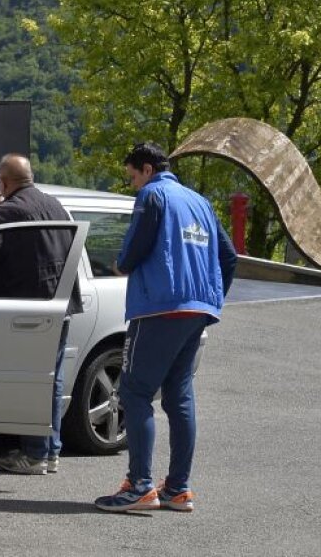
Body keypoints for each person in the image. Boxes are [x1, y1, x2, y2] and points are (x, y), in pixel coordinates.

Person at [94, 142, 237, 513]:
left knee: (135, 391)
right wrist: (211, 297)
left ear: (146, 169)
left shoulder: (152, 196)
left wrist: (121, 264)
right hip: (197, 309)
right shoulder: (200, 201)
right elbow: (229, 256)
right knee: (179, 396)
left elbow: (135, 248)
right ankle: (177, 488)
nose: (132, 185)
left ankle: (140, 486)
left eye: (131, 176)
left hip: (159, 306)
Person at [0, 153, 78, 475]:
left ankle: (35, 453)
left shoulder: (9, 211)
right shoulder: (54, 204)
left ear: (4, 182)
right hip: (60, 304)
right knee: (51, 378)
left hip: (28, 309)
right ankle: (50, 450)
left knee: (31, 381)